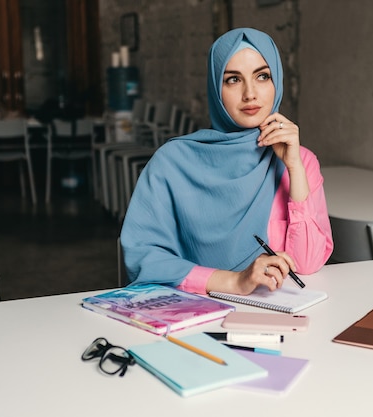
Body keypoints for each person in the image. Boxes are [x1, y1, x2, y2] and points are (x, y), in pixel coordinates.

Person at [121, 27, 333, 295]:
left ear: (276, 81)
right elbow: (143, 258)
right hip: (197, 314)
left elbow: (307, 264)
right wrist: (233, 282)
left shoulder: (301, 161)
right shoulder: (171, 163)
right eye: (233, 80)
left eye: (262, 76)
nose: (250, 94)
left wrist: (294, 168)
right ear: (214, 87)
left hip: (278, 314)